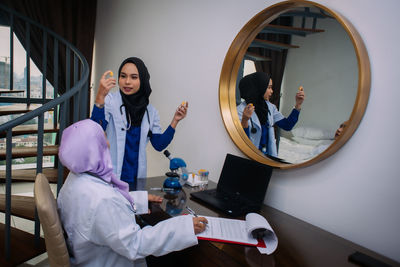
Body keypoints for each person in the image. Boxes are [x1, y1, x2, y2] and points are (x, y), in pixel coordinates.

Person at [57, 119, 208, 266]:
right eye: (103, 139)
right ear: (93, 150)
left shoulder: (74, 180)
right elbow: (135, 244)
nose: (108, 144)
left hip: (86, 255)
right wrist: (184, 228)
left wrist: (139, 200)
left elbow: (105, 209)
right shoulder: (102, 200)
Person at [91, 57, 188, 190]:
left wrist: (175, 120)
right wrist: (100, 97)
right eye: (123, 76)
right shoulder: (110, 102)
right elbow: (95, 130)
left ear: (142, 80)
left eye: (134, 77)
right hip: (111, 176)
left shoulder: (150, 112)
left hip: (136, 178)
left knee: (134, 209)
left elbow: (159, 145)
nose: (127, 82)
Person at [237, 72, 305, 157]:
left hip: (267, 157)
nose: (272, 91)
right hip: (249, 157)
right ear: (259, 88)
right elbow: (240, 140)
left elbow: (288, 125)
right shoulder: (240, 110)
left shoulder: (270, 107)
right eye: (269, 88)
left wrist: (298, 104)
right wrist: (245, 120)